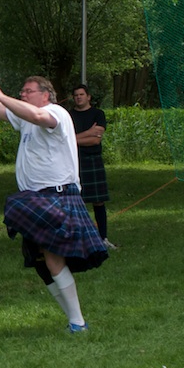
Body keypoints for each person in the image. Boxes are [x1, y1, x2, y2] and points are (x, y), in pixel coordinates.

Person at [0, 68, 107, 332]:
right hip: (36, 197)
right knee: (40, 262)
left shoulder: (55, 112)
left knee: (52, 258)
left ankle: (78, 323)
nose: (23, 94)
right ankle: (75, 321)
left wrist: (1, 94)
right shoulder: (24, 117)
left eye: (28, 91)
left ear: (46, 94)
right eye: (22, 91)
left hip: (57, 195)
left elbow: (36, 115)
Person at [68, 84, 115, 249]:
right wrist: (88, 133)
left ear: (88, 97)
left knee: (98, 201)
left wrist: (71, 139)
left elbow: (96, 139)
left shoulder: (98, 114)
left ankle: (103, 238)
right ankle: (77, 239)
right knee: (74, 201)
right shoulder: (68, 115)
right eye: (76, 95)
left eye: (81, 94)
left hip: (93, 159)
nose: (78, 97)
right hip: (73, 161)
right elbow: (63, 138)